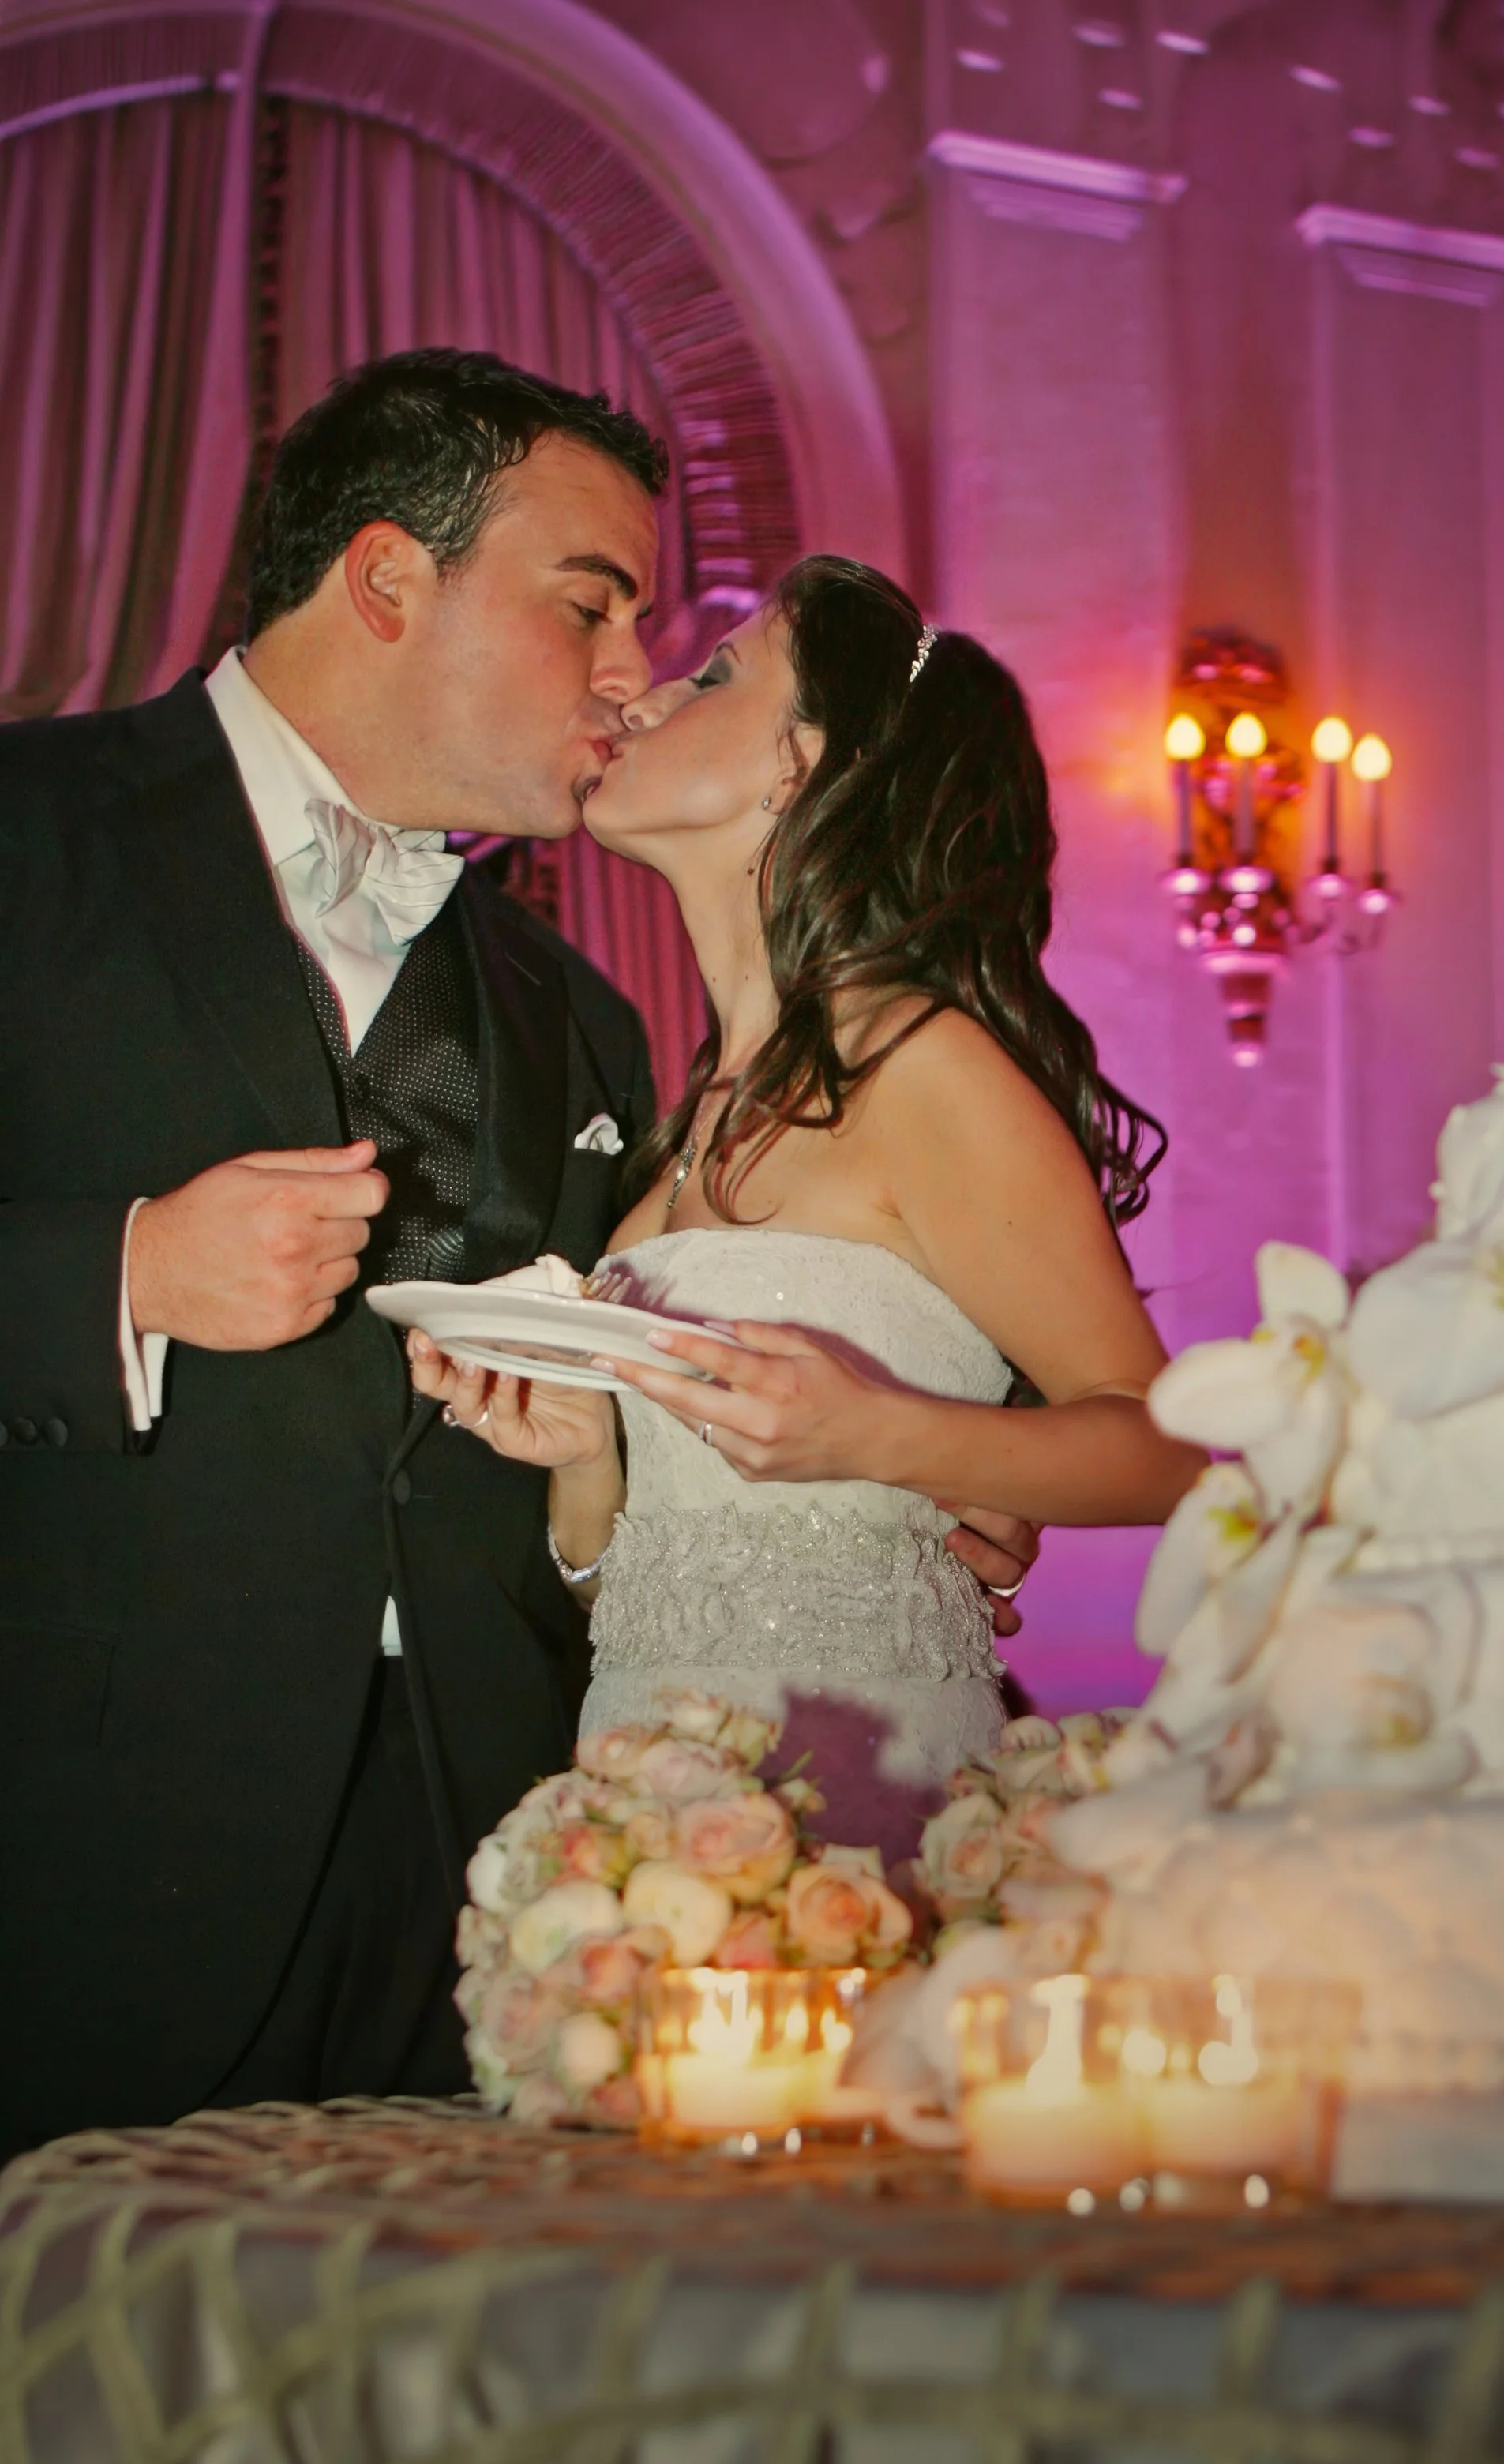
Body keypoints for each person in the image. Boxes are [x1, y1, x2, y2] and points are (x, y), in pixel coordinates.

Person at [0, 348, 669, 2157]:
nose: (632, 674)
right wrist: (116, 1277)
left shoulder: (584, 1016)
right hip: (74, 1874)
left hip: (479, 1892)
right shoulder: (23, 833)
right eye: (588, 603)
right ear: (387, 578)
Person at [409, 555, 1205, 1858]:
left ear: (805, 766)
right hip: (643, 1808)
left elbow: (1163, 1451)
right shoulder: (683, 1114)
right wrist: (584, 1460)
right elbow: (645, 1579)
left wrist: (883, 1433)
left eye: (716, 672)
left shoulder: (921, 1066)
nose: (652, 695)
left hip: (857, 1800)